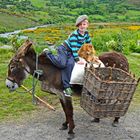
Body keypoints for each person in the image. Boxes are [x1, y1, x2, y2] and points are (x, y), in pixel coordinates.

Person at [44, 15, 92, 97]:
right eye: (80, 24)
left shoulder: (86, 34)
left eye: (84, 24)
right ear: (77, 26)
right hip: (64, 49)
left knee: (70, 64)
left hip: (72, 52)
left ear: (87, 25)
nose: (82, 26)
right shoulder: (74, 35)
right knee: (62, 64)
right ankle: (48, 53)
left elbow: (89, 45)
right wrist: (77, 59)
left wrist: (91, 56)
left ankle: (69, 85)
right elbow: (74, 48)